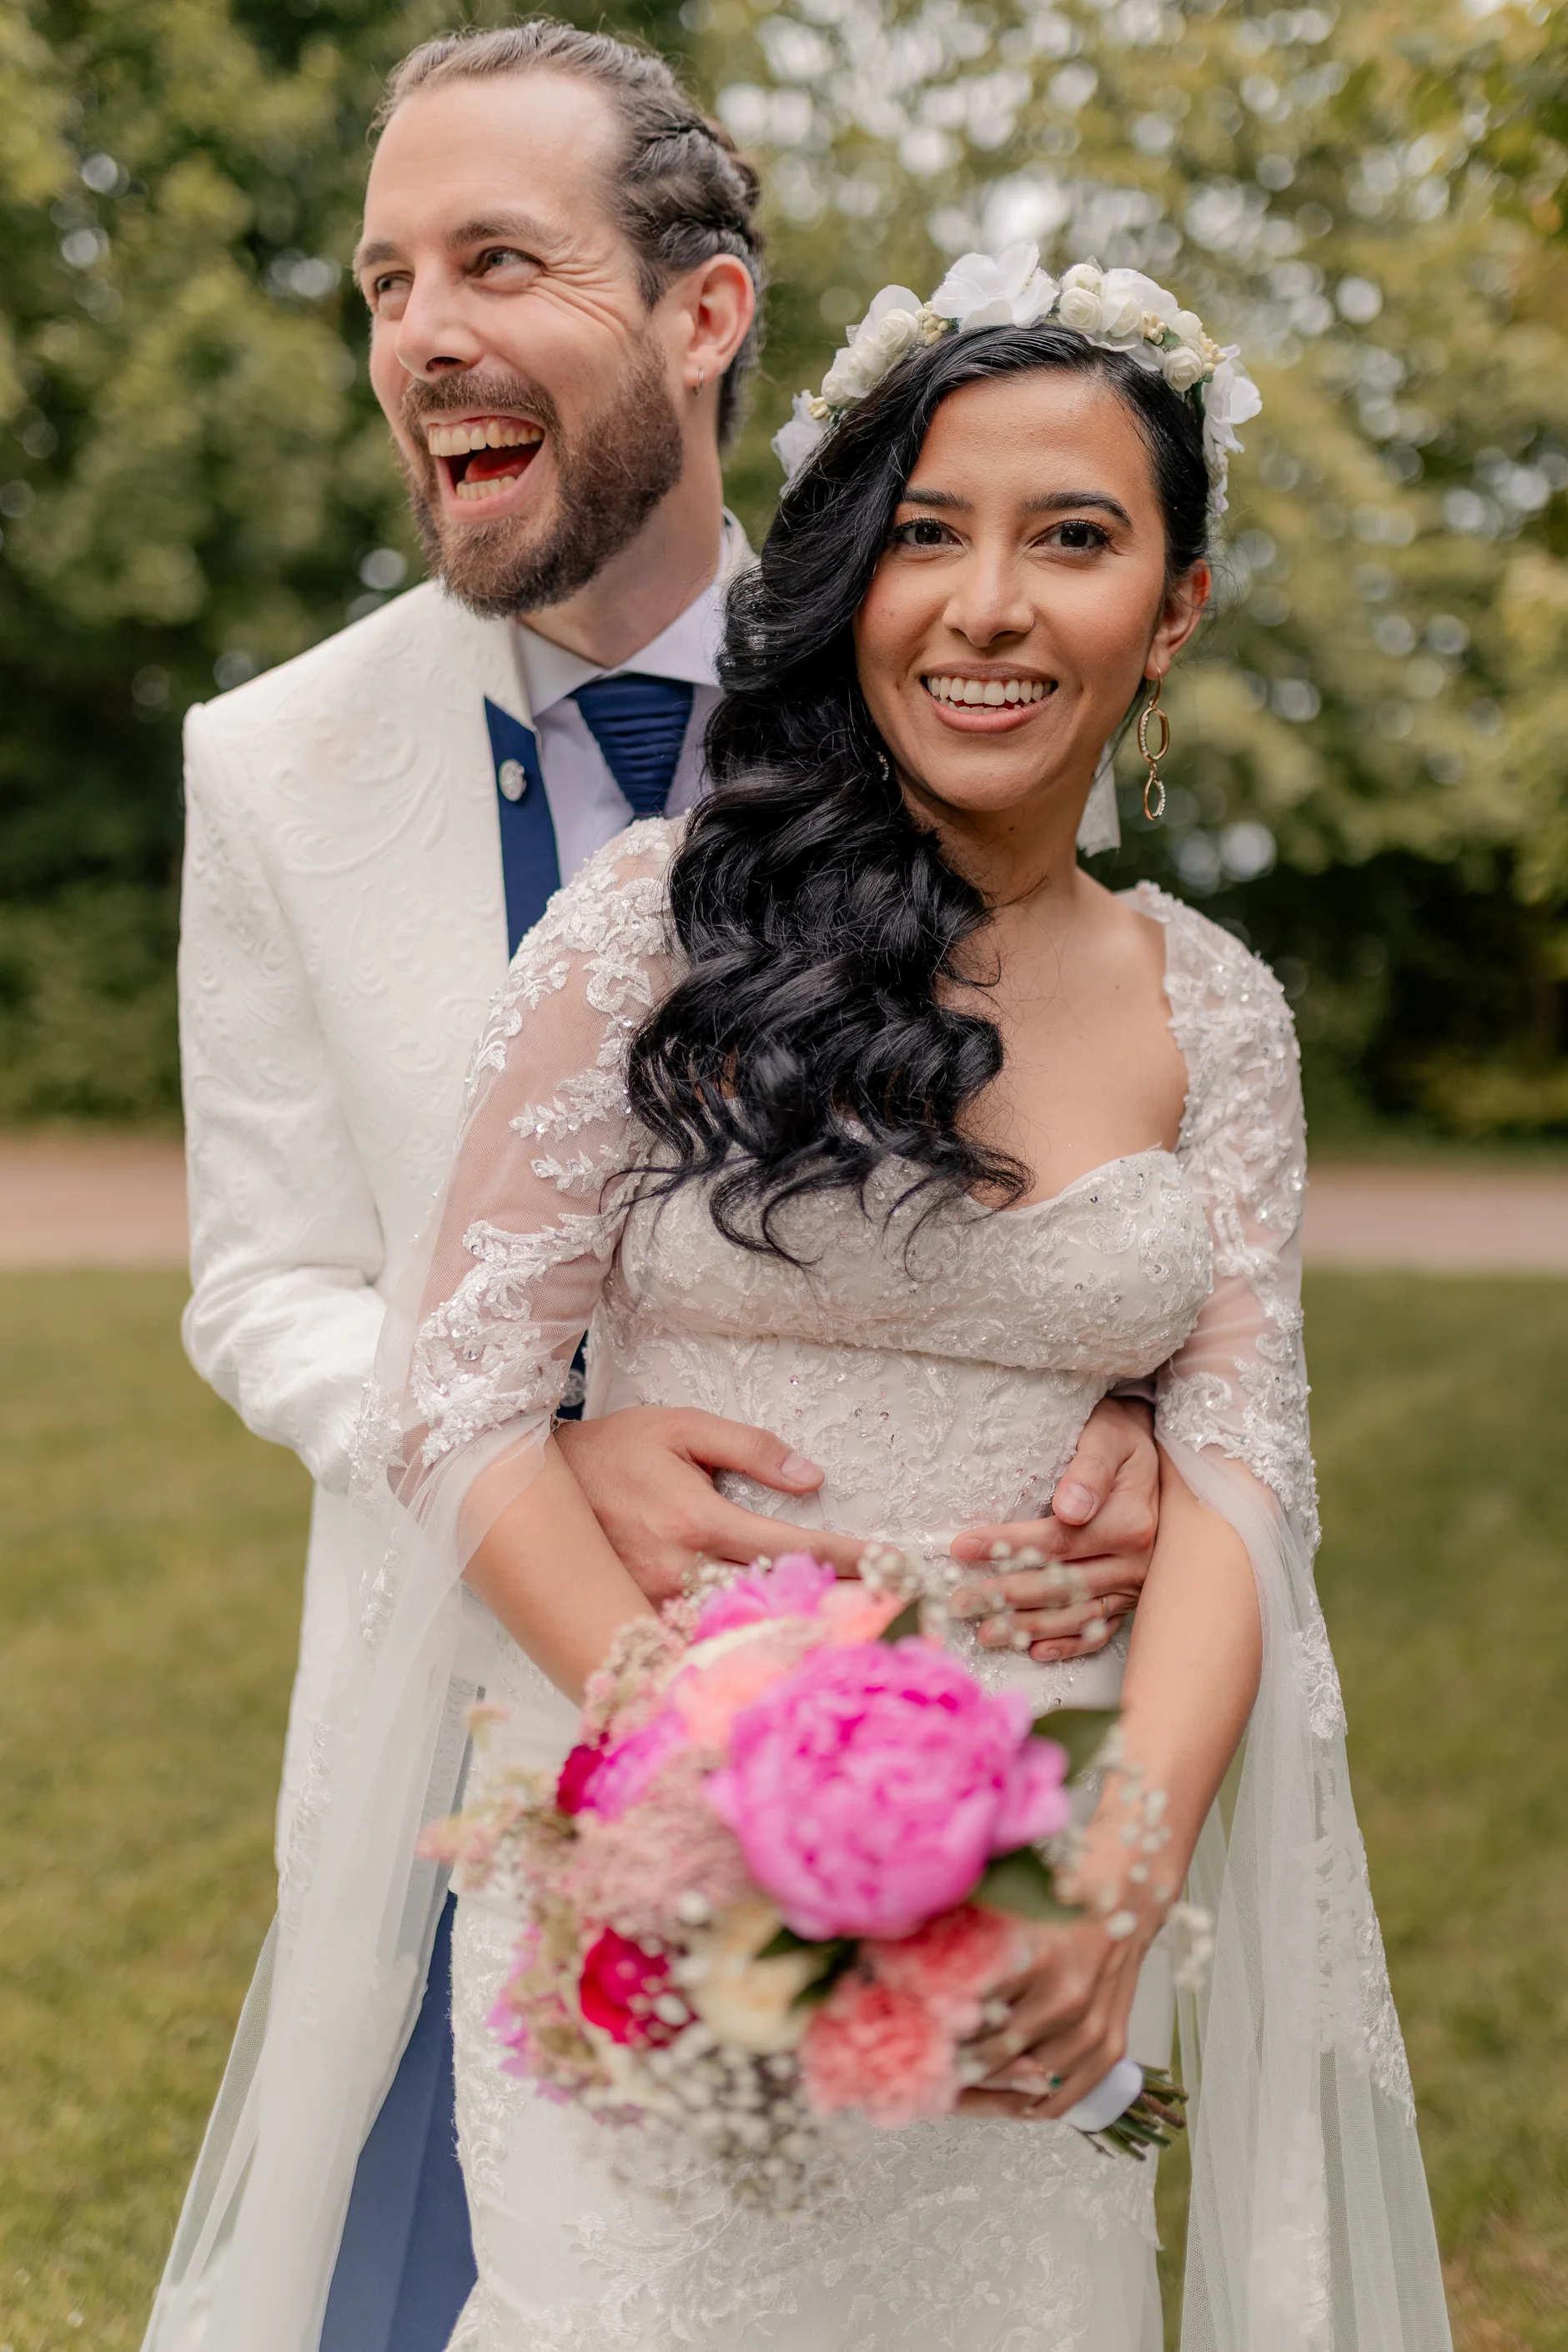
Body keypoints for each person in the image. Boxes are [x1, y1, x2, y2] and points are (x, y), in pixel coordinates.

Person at [151, 244, 1454, 2350]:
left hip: (1025, 1875)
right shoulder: (656, 934)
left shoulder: (1214, 1011)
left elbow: (1241, 1466)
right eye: (925, 534)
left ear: (1178, 608)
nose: (988, 605)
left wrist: (1120, 1862)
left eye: (1075, 540)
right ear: (848, 576)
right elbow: (458, 1388)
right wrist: (716, 1748)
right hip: (651, 1834)